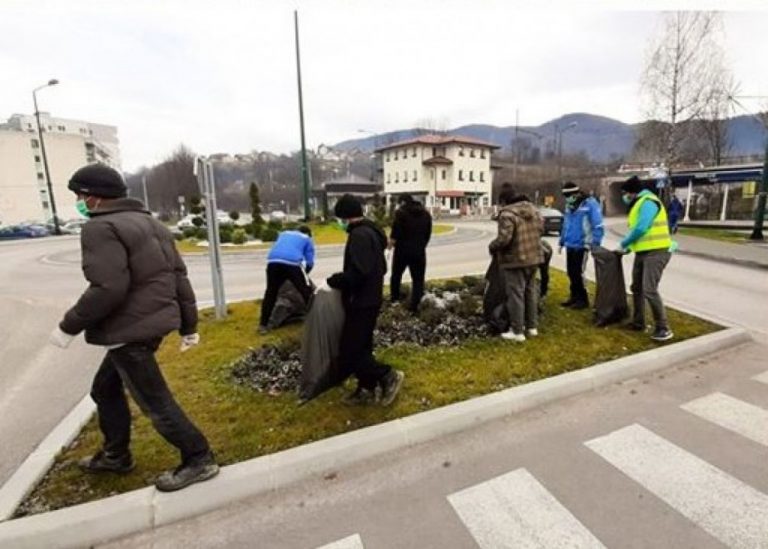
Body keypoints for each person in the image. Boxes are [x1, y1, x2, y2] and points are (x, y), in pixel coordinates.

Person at [48, 164, 219, 492]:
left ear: (94, 196)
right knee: (105, 388)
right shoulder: (152, 224)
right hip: (149, 325)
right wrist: (189, 325)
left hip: (129, 329)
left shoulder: (101, 227)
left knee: (155, 402)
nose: (79, 202)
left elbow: (107, 288)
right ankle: (116, 456)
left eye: (80, 195)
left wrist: (68, 326)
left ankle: (199, 458)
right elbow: (178, 278)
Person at [326, 194, 404, 406]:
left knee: (350, 351)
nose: (339, 222)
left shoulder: (359, 236)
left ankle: (387, 375)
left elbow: (359, 273)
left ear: (345, 217)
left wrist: (336, 280)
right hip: (370, 298)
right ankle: (366, 389)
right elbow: (381, 267)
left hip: (361, 301)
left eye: (339, 218)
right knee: (362, 348)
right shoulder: (371, 232)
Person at [617, 175, 674, 342]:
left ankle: (663, 328)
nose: (624, 196)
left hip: (657, 252)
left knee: (649, 289)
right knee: (637, 287)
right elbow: (641, 234)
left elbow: (642, 228)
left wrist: (624, 243)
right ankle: (638, 322)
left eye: (625, 193)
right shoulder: (639, 203)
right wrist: (628, 248)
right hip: (643, 252)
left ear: (632, 192)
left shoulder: (648, 202)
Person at [488, 190, 544, 342]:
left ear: (504, 202)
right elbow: (541, 230)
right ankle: (532, 327)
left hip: (515, 260)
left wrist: (492, 246)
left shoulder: (507, 215)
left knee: (516, 295)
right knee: (530, 292)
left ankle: (517, 331)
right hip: (534, 258)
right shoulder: (535, 211)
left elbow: (504, 239)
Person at [259, 225, 315, 334]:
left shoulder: (283, 234)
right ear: (308, 234)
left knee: (271, 292)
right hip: (292, 263)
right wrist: (305, 274)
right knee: (306, 292)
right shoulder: (307, 238)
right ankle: (314, 319)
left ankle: (263, 325)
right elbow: (309, 262)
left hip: (273, 262)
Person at [558, 181, 604, 309]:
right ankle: (574, 296)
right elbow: (566, 225)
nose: (567, 198)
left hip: (583, 245)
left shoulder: (590, 204)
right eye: (565, 196)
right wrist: (562, 241)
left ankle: (582, 299)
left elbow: (598, 225)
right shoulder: (569, 206)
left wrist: (595, 243)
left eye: (569, 196)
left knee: (579, 272)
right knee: (571, 272)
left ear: (576, 193)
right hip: (570, 244)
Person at [389, 193, 432, 313]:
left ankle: (395, 301)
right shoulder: (426, 214)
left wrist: (390, 246)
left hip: (401, 251)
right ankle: (415, 306)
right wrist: (421, 245)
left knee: (396, 276)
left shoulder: (400, 214)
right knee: (418, 280)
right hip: (419, 251)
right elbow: (428, 234)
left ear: (402, 202)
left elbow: (395, 234)